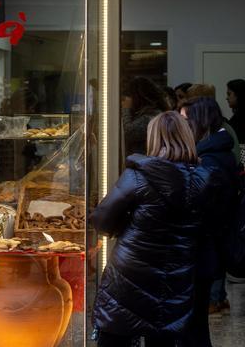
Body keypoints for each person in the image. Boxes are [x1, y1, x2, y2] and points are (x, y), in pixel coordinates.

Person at [91, 111, 214, 346]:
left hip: (129, 276)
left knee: (114, 338)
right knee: (163, 338)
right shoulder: (205, 181)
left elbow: (101, 219)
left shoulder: (138, 176)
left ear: (153, 138)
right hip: (176, 278)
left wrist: (127, 225)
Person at [180, 97, 241, 340]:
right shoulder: (212, 152)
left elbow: (205, 209)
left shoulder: (211, 160)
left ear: (200, 122)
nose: (181, 126)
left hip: (202, 250)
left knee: (194, 326)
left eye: (185, 120)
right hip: (204, 250)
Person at [122, 77, 169, 156]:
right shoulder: (152, 113)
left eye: (129, 96)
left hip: (143, 163)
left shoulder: (150, 116)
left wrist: (126, 109)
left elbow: (128, 133)